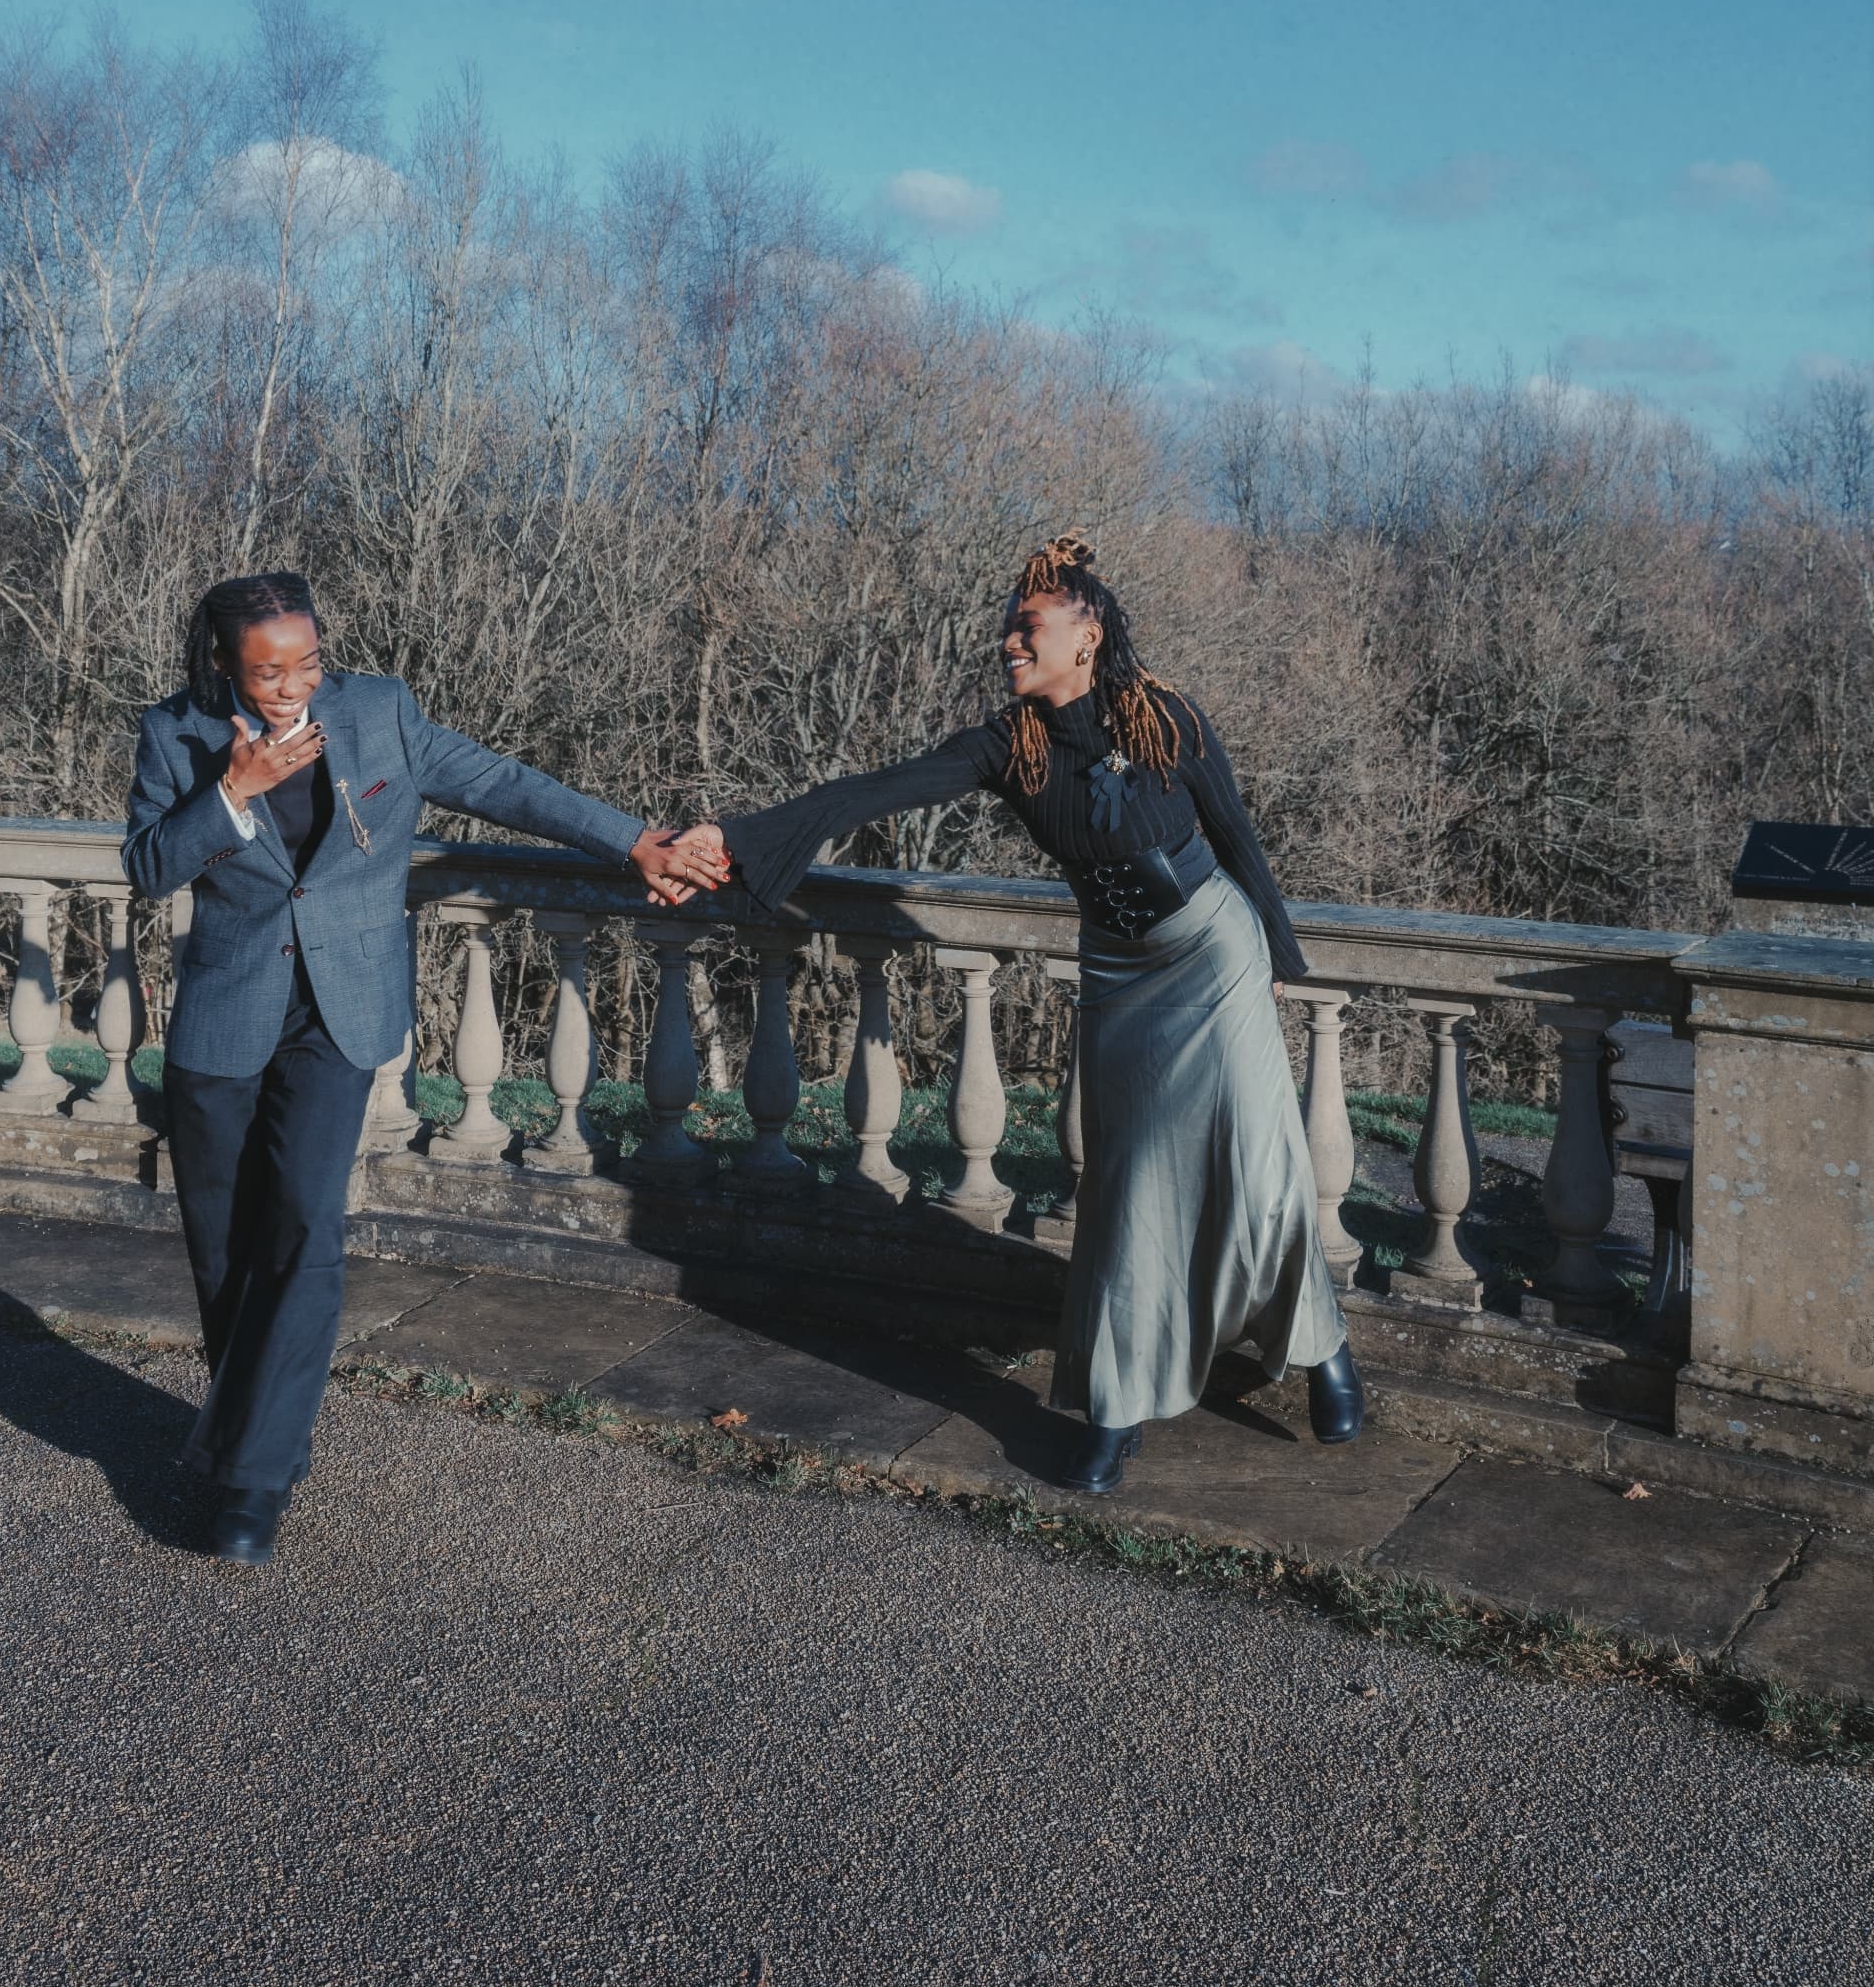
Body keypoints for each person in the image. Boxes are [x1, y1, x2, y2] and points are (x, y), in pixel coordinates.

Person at [716, 534, 1362, 1493]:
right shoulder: (1004, 748)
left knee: (1263, 1169)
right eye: (1009, 629)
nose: (1010, 643)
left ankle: (1324, 1352)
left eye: (1029, 627)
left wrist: (1279, 954)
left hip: (1215, 954)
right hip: (1119, 975)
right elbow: (869, 792)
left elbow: (1235, 834)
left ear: (1087, 635)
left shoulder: (1163, 717)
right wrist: (737, 843)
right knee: (1130, 1196)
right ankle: (1118, 1403)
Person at [124, 569, 728, 1564]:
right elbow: (148, 866)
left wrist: (632, 841)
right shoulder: (177, 731)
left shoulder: (378, 710)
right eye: (268, 671)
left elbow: (497, 781)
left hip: (341, 1016)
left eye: (307, 662)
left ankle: (251, 1483)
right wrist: (233, 790)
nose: (293, 686)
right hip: (227, 1020)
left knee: (308, 1229)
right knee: (225, 1248)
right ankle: (258, 1433)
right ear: (224, 664)